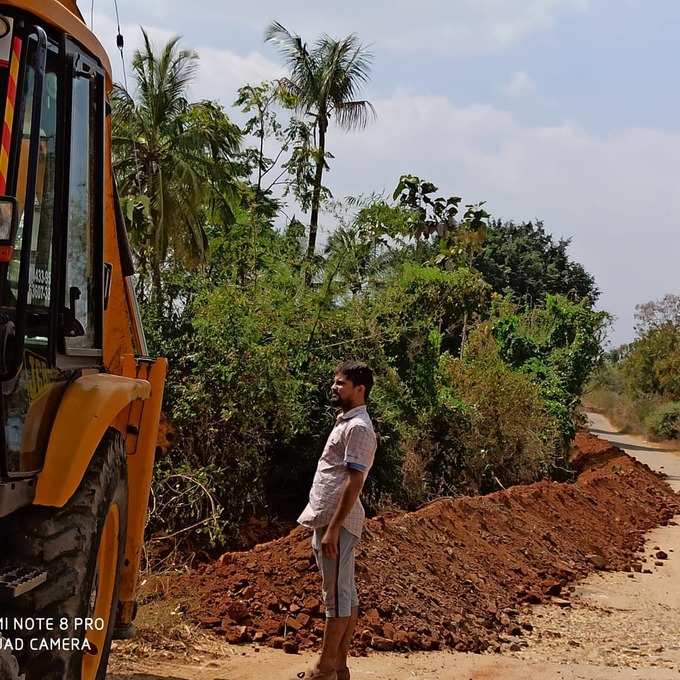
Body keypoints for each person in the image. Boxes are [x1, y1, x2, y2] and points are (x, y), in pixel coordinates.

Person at [294, 361, 377, 680]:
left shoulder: (358, 427)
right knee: (346, 594)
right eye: (334, 382)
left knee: (337, 598)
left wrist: (331, 530)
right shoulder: (347, 422)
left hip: (337, 525)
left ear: (360, 389)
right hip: (330, 521)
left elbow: (354, 481)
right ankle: (339, 667)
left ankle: (323, 667)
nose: (334, 387)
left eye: (341, 383)